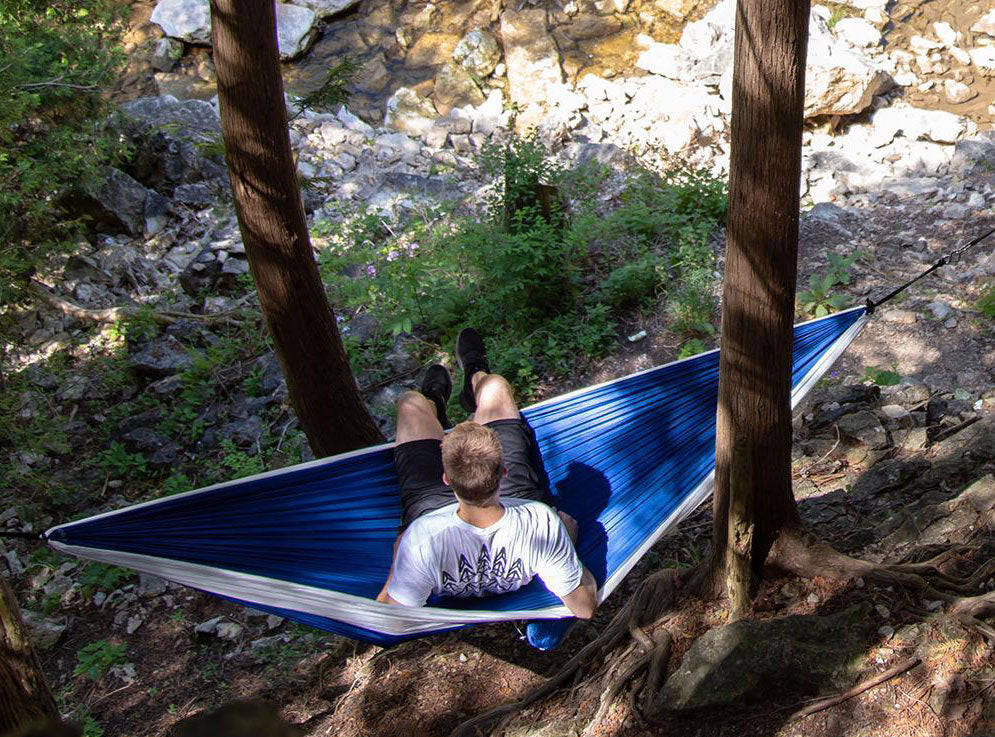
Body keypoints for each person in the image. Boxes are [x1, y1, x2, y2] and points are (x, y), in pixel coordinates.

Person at [376, 328, 598, 618]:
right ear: (503, 471)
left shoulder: (419, 541)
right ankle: (476, 376)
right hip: (517, 501)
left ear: (445, 478)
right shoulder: (542, 524)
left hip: (430, 516)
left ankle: (432, 402)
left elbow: (388, 618)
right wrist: (567, 546)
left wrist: (399, 558)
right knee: (495, 387)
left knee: (409, 404)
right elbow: (584, 608)